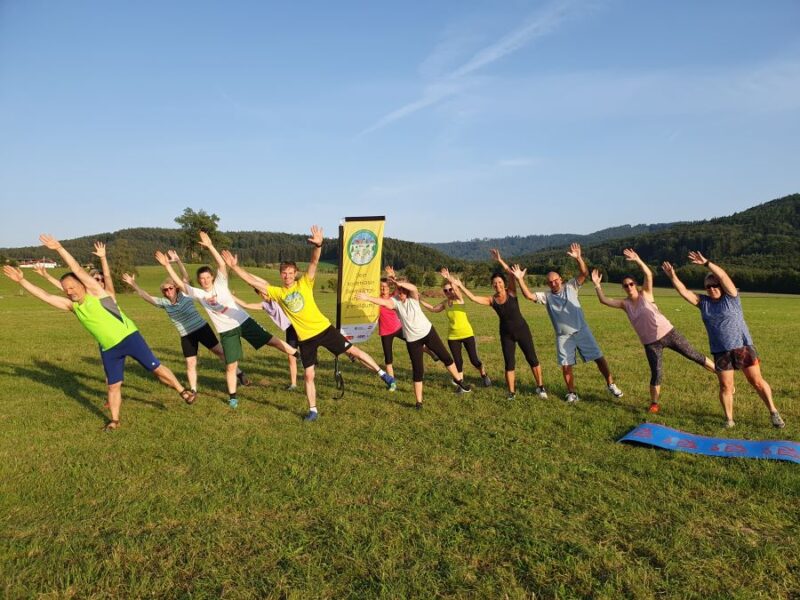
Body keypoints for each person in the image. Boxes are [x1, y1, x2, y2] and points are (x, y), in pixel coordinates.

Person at [2, 234, 195, 431]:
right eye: (65, 289)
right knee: (113, 386)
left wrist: (60, 248)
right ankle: (114, 420)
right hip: (108, 348)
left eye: (72, 287)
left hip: (129, 337)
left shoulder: (97, 293)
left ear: (81, 284)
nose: (69, 291)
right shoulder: (72, 306)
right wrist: (22, 281)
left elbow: (76, 268)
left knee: (156, 368)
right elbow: (45, 296)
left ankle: (182, 391)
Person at [221, 225, 397, 421]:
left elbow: (314, 261)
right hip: (305, 339)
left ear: (295, 273)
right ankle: (313, 410)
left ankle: (383, 375)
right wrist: (234, 267)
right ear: (281, 275)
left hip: (323, 329)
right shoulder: (278, 293)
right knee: (309, 376)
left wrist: (319, 245)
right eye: (284, 273)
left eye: (290, 273)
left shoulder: (305, 282)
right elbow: (254, 282)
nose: (287, 276)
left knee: (353, 351)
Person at [155, 232, 298, 409]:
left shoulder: (221, 284)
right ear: (199, 282)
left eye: (208, 277)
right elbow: (181, 283)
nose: (205, 280)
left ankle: (297, 354)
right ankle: (232, 397)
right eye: (202, 279)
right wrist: (167, 267)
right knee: (231, 365)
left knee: (271, 341)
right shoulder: (199, 294)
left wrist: (210, 246)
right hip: (226, 331)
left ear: (212, 278)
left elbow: (221, 264)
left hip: (243, 321)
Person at [662, 251, 785, 429]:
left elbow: (723, 275)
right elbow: (684, 292)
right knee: (726, 386)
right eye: (707, 286)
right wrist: (672, 276)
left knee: (756, 381)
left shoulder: (732, 298)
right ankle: (729, 420)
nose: (711, 288)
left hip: (742, 347)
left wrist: (707, 263)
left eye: (714, 285)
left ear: (720, 285)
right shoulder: (703, 303)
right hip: (720, 350)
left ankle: (774, 412)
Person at [590, 248, 715, 413]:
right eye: (625, 286)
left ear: (636, 285)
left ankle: (723, 375)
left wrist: (638, 260)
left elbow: (648, 274)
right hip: (650, 343)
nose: (629, 287)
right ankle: (654, 403)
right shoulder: (624, 304)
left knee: (694, 355)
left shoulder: (646, 294)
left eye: (631, 284)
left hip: (669, 333)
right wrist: (597, 285)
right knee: (656, 373)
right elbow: (604, 300)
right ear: (623, 288)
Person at [499, 245, 623, 404]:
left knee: (599, 358)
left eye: (556, 280)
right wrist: (520, 279)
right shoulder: (547, 296)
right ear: (548, 284)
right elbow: (529, 296)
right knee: (566, 365)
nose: (554, 284)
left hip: (581, 330)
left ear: (561, 280)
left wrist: (579, 258)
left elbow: (584, 273)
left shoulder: (571, 286)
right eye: (550, 282)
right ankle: (572, 393)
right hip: (563, 336)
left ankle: (611, 384)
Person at [121, 250, 243, 397]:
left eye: (170, 288)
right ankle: (193, 390)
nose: (168, 291)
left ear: (175, 288)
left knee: (220, 352)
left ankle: (239, 373)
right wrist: (134, 284)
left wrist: (178, 261)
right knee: (190, 363)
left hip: (202, 328)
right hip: (186, 335)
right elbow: (146, 296)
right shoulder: (164, 303)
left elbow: (184, 276)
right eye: (165, 290)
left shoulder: (185, 294)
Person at [358, 267, 473, 409]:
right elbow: (384, 303)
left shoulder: (413, 295)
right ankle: (419, 402)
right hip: (413, 340)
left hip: (428, 332)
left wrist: (399, 283)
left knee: (446, 358)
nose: (400, 294)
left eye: (401, 291)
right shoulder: (395, 301)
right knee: (418, 370)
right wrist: (367, 298)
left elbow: (412, 287)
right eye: (398, 291)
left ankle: (460, 381)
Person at [453, 262, 547, 401]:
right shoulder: (492, 300)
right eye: (495, 283)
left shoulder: (511, 292)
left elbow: (510, 273)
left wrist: (499, 259)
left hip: (522, 330)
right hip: (506, 334)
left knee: (532, 359)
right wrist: (460, 286)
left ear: (503, 283)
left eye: (499, 282)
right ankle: (511, 393)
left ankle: (540, 387)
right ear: (492, 286)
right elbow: (473, 298)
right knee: (509, 363)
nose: (498, 285)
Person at [420, 268, 491, 387]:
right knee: (458, 361)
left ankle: (483, 374)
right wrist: (420, 299)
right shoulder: (444, 303)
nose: (448, 292)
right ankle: (461, 384)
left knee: (474, 360)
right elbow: (433, 309)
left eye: (450, 289)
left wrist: (448, 277)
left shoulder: (459, 299)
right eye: (446, 290)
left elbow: (458, 291)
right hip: (453, 336)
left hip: (467, 334)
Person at [234, 288, 301, 391]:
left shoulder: (277, 298)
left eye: (265, 293)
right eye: (262, 294)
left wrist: (249, 281)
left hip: (301, 326)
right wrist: (231, 296)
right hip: (291, 330)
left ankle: (312, 366)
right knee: (291, 355)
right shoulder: (264, 305)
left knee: (308, 352)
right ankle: (293, 384)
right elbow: (246, 305)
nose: (264, 295)